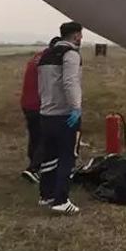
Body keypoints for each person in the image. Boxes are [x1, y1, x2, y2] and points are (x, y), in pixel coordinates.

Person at [37, 22, 84, 214]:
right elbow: (70, 82)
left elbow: (41, 85)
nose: (81, 39)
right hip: (64, 115)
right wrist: (76, 108)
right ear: (75, 36)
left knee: (49, 157)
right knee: (67, 157)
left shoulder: (46, 55)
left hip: (46, 114)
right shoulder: (71, 54)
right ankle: (61, 200)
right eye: (80, 35)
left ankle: (46, 195)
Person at [19, 37, 60, 183]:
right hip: (40, 105)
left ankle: (33, 164)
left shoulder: (37, 57)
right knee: (47, 137)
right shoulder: (51, 61)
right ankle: (34, 169)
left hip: (27, 103)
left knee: (35, 135)